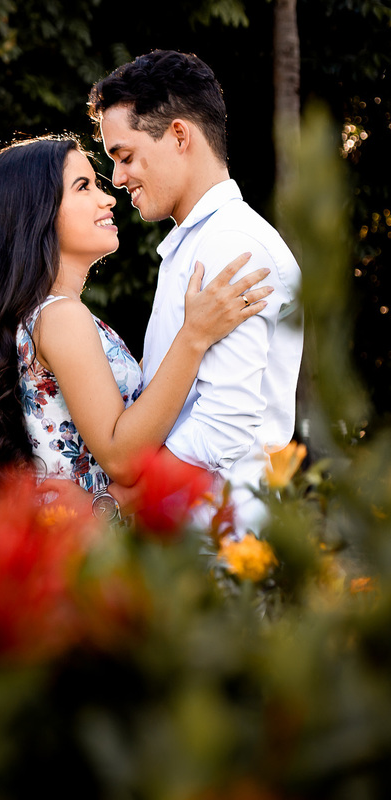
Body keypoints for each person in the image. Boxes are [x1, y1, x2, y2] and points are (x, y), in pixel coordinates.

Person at [0, 134, 269, 517]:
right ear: (35, 212)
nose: (108, 198)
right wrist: (194, 336)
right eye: (83, 187)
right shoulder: (60, 317)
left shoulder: (44, 314)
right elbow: (122, 456)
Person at [88, 49, 303, 531]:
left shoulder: (231, 245)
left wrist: (122, 504)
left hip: (217, 541)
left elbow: (223, 428)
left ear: (179, 135)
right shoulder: (202, 241)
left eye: (125, 156)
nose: (118, 178)